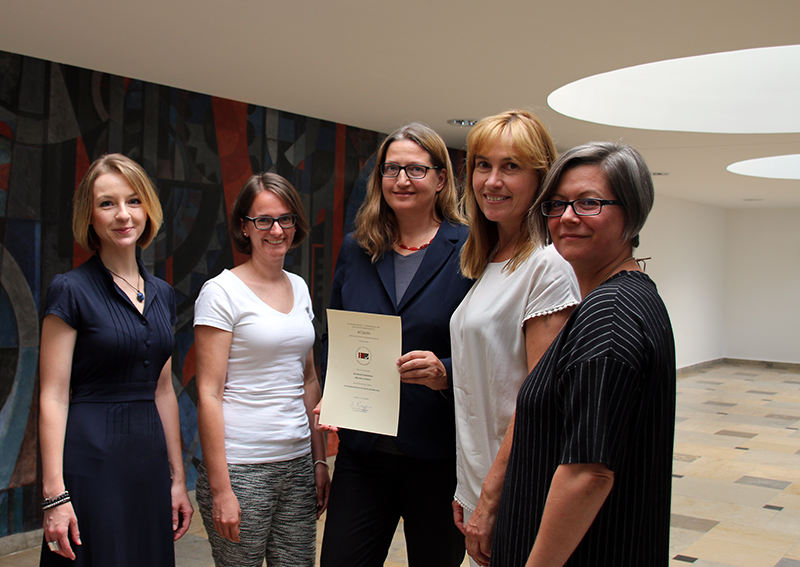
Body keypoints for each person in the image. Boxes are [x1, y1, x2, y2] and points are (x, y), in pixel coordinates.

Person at [491, 142, 676, 566]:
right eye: (556, 205)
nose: (567, 217)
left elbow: (588, 473)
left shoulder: (610, 314)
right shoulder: (632, 296)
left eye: (589, 203)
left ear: (631, 212)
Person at [318, 122, 471, 567]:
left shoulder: (471, 249)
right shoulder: (357, 248)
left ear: (441, 179)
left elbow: (488, 350)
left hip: (438, 455)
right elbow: (338, 335)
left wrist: (445, 370)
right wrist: (335, 390)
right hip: (364, 455)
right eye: (392, 169)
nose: (402, 180)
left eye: (416, 169)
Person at [38, 154, 193, 566]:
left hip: (149, 464)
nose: (123, 215)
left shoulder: (162, 293)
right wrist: (54, 495)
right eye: (107, 203)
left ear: (148, 209)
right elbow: (53, 395)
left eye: (133, 201)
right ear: (88, 216)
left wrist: (177, 480)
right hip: (91, 463)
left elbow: (163, 390)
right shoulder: (69, 290)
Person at [450, 109, 580, 567]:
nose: (492, 181)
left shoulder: (547, 266)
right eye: (483, 165)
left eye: (511, 167)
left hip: (518, 490)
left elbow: (537, 403)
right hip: (480, 481)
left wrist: (489, 499)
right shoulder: (489, 260)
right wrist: (467, 487)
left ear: (540, 178)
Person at [193, 173, 329, 567]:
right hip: (241, 467)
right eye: (263, 220)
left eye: (285, 219)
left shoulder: (299, 287)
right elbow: (208, 394)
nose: (276, 230)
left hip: (298, 462)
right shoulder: (221, 292)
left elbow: (308, 380)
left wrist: (319, 460)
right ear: (243, 226)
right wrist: (221, 490)